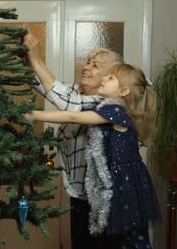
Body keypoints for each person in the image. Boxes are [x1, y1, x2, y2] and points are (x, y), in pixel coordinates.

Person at [25, 63, 161, 248]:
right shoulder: (110, 108)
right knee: (120, 238)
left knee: (125, 238)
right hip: (119, 180)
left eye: (111, 78)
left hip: (123, 183)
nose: (104, 78)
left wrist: (34, 115)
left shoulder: (116, 110)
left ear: (124, 91)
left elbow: (73, 117)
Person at [23, 33, 123, 248]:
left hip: (107, 200)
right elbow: (46, 86)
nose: (86, 67)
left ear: (109, 78)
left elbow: (66, 103)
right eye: (88, 62)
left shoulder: (107, 104)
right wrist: (24, 53)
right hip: (79, 195)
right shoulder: (77, 92)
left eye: (95, 66)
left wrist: (37, 58)